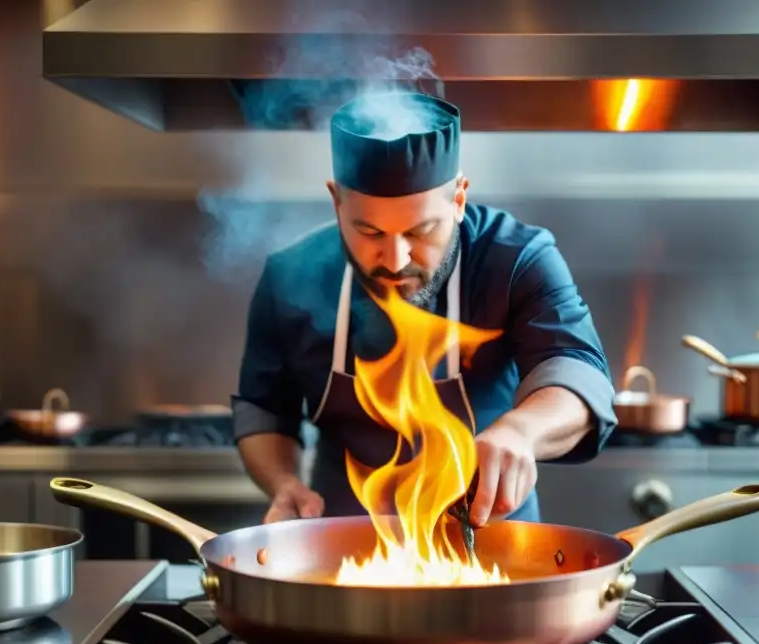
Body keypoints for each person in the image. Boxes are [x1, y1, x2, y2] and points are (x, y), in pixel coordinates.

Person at [233, 91, 616, 527]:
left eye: (421, 230)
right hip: (343, 551)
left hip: (490, 548)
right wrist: (284, 483)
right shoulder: (290, 276)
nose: (395, 260)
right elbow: (264, 409)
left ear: (458, 199)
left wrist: (522, 431)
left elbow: (578, 373)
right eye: (369, 231)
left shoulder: (517, 259)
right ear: (337, 201)